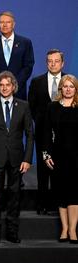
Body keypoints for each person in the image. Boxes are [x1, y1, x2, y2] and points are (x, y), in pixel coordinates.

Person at [0, 71, 33, 244]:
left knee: (14, 196)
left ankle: (12, 232)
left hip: (18, 159)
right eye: (1, 85)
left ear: (13, 87)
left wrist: (27, 159)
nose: (4, 88)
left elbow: (30, 135)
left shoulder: (24, 106)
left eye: (7, 85)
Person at [28, 49, 65, 215]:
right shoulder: (37, 82)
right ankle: (42, 203)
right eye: (50, 61)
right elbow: (32, 107)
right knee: (43, 170)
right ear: (46, 62)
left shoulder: (69, 81)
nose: (53, 64)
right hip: (43, 133)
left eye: (56, 61)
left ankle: (59, 204)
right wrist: (42, 124)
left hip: (65, 136)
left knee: (61, 170)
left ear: (62, 63)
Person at [42, 75, 78, 243]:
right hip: (58, 157)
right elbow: (46, 134)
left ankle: (73, 230)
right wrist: (46, 155)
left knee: (74, 194)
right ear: (61, 88)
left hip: (76, 158)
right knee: (61, 194)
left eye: (71, 86)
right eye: (65, 86)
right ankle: (64, 229)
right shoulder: (52, 107)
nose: (68, 89)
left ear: (75, 89)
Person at [0, 11, 34, 99]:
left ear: (13, 24)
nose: (5, 25)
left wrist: (14, 84)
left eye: (8, 22)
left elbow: (28, 66)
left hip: (18, 91)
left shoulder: (25, 43)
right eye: (2, 22)